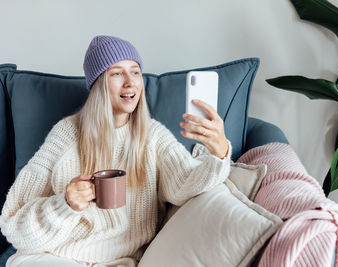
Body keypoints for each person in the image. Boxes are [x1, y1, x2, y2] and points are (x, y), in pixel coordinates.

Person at [0, 35, 231, 267]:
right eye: (117, 73)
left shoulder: (153, 135)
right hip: (55, 257)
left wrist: (220, 152)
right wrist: (65, 205)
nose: (130, 82)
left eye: (135, 72)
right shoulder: (66, 133)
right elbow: (15, 224)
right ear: (99, 83)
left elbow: (185, 184)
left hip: (118, 261)